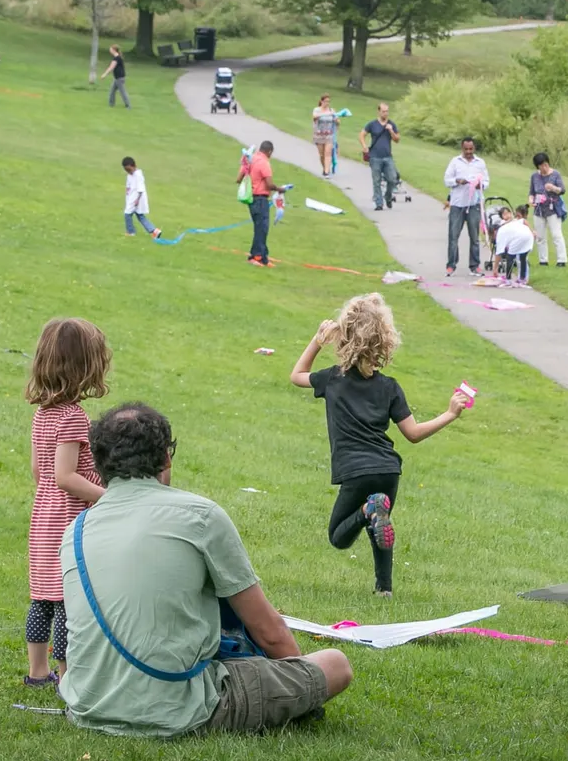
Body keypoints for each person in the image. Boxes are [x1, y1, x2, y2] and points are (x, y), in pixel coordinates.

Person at [59, 403, 353, 736]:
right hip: (179, 707)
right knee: (335, 663)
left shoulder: (75, 531)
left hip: (87, 704)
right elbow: (268, 629)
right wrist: (300, 678)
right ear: (166, 458)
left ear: (98, 464)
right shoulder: (199, 516)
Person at [290, 294, 470, 596]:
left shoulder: (333, 379)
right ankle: (384, 588)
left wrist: (317, 341)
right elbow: (413, 433)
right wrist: (449, 414)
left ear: (345, 338)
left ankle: (368, 510)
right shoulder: (390, 387)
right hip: (388, 471)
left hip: (356, 471)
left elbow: (296, 376)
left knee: (339, 536)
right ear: (384, 342)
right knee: (379, 524)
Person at [24, 318, 109, 687]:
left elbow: (39, 471)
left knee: (42, 600)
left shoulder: (43, 413)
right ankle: (66, 676)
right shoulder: (73, 416)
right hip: (67, 522)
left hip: (44, 517)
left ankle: (37, 672)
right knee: (66, 604)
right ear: (85, 367)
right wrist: (110, 497)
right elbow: (65, 477)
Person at [443, 137, 490, 277]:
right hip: (457, 204)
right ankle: (451, 265)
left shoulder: (480, 163)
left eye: (471, 149)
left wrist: (480, 185)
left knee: (474, 236)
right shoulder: (455, 162)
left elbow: (486, 181)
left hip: (474, 204)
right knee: (453, 236)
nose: (468, 152)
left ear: (474, 148)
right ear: (462, 148)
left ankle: (474, 266)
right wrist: (457, 181)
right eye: (466, 149)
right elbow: (447, 180)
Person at [236, 141, 282, 266]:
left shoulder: (250, 159)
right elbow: (269, 184)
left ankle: (263, 256)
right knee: (261, 229)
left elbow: (238, 179)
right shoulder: (264, 163)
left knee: (260, 228)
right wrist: (279, 189)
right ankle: (256, 256)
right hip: (261, 198)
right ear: (269, 152)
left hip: (251, 199)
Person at [529, 152, 567, 268]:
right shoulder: (534, 176)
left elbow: (562, 190)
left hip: (552, 208)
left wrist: (553, 188)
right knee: (540, 236)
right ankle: (543, 260)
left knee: (556, 234)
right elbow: (531, 192)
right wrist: (531, 200)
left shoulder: (555, 174)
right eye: (541, 166)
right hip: (539, 209)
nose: (544, 167)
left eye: (545, 164)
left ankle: (561, 260)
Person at [360, 103, 399, 211]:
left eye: (387, 111)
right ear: (379, 112)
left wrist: (391, 130)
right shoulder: (372, 124)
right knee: (376, 181)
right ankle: (379, 203)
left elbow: (397, 139)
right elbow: (362, 134)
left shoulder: (391, 124)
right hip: (375, 157)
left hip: (387, 156)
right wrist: (364, 146)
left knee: (392, 179)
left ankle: (388, 196)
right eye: (383, 111)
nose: (385, 113)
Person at [121, 157, 162, 239]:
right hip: (131, 197)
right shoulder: (130, 175)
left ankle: (131, 232)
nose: (128, 172)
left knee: (127, 214)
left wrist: (137, 200)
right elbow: (129, 185)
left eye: (129, 170)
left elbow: (140, 188)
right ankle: (154, 231)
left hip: (136, 198)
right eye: (126, 170)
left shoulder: (138, 175)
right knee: (140, 216)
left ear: (134, 166)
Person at [494, 205, 535, 283]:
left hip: (520, 237)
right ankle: (522, 278)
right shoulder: (509, 223)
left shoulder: (501, 232)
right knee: (523, 257)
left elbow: (498, 253)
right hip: (528, 236)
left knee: (510, 257)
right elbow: (523, 221)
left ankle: (508, 279)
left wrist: (495, 268)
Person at [311, 94, 338, 177]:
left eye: (328, 101)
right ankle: (324, 168)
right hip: (319, 135)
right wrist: (327, 114)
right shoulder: (317, 110)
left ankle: (327, 171)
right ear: (322, 101)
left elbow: (337, 121)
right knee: (322, 154)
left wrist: (336, 117)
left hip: (329, 135)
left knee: (328, 153)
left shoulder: (331, 110)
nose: (327, 103)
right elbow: (314, 117)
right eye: (325, 101)